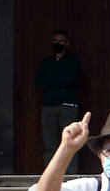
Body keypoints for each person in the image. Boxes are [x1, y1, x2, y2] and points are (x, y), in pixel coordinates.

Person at [34, 30, 82, 173]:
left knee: (70, 142)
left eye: (61, 41)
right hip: (48, 107)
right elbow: (39, 82)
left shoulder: (73, 61)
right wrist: (58, 81)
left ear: (67, 43)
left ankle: (70, 174)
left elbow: (70, 79)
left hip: (67, 107)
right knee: (49, 144)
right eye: (55, 40)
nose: (57, 43)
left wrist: (52, 81)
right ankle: (51, 174)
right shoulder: (47, 62)